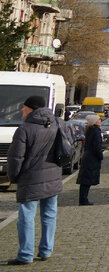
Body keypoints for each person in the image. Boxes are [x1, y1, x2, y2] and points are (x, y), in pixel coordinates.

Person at [5, 96, 63, 264]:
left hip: (31, 179)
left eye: (24, 107)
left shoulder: (25, 129)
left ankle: (25, 254)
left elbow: (15, 157)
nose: (22, 110)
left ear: (31, 109)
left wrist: (13, 177)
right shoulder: (58, 123)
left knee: (26, 217)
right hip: (53, 177)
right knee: (50, 215)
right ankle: (46, 250)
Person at [77, 113, 103, 206]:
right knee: (87, 180)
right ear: (94, 122)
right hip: (92, 158)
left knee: (85, 180)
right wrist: (100, 155)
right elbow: (97, 146)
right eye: (98, 120)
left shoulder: (90, 130)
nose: (100, 121)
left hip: (88, 156)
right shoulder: (95, 131)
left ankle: (83, 199)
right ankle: (83, 199)